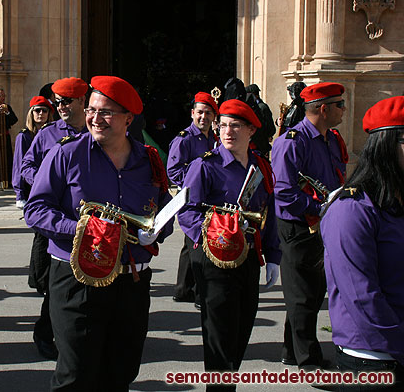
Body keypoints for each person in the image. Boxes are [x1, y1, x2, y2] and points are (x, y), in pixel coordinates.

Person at [25, 75, 174, 390]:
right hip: (77, 278)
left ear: (128, 119)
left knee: (121, 372)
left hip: (131, 280)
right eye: (91, 110)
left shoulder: (148, 160)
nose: (94, 118)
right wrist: (83, 229)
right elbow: (35, 210)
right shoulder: (66, 154)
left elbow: (164, 211)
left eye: (106, 112)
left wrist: (157, 230)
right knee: (76, 375)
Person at [177, 99, 280, 390]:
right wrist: (216, 233)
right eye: (222, 125)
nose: (227, 131)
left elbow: (268, 214)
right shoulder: (205, 166)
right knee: (220, 337)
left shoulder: (261, 166)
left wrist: (273, 255)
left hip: (247, 257)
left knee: (242, 329)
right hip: (214, 260)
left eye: (235, 126)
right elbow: (186, 213)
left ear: (251, 130)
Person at [321, 96, 404, 390]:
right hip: (376, 358)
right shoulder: (353, 209)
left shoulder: (395, 201)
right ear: (388, 146)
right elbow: (363, 297)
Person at [271, 82, 348, 369]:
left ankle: (292, 350)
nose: (344, 109)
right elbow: (284, 192)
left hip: (324, 223)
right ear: (323, 109)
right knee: (302, 294)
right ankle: (307, 360)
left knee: (313, 292)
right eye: (340, 104)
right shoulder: (292, 141)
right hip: (299, 226)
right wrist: (320, 207)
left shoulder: (331, 138)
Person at [21, 77, 89, 361]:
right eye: (57, 102)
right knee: (54, 284)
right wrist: (45, 183)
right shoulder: (47, 134)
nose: (59, 107)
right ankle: (45, 332)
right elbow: (27, 164)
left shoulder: (95, 130)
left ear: (81, 102)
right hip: (54, 218)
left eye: (66, 102)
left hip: (87, 218)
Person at [167, 91, 218, 305]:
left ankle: (184, 288)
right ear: (192, 113)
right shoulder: (184, 139)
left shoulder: (214, 138)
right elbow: (173, 171)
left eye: (208, 113)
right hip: (191, 198)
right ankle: (198, 291)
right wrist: (196, 178)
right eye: (200, 113)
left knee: (192, 244)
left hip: (210, 198)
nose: (203, 117)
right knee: (196, 243)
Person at [12, 96, 51, 208]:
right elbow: (19, 165)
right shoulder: (24, 136)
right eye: (37, 110)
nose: (41, 113)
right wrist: (20, 194)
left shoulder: (52, 135)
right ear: (31, 113)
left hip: (49, 186)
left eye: (44, 110)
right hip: (30, 187)